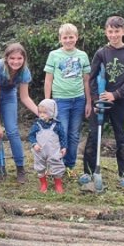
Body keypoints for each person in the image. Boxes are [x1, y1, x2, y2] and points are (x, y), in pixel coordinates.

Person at [80, 16, 124, 188]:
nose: (113, 35)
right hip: (100, 102)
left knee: (122, 138)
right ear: (106, 32)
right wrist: (97, 99)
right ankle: (89, 172)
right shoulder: (101, 53)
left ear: (123, 31)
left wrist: (116, 94)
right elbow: (92, 79)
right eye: (110, 31)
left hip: (120, 102)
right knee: (93, 137)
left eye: (117, 31)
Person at [0, 43, 38, 184]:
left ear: (24, 59)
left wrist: (40, 112)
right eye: (12, 58)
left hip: (9, 94)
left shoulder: (24, 71)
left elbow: (25, 97)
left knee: (13, 131)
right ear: (6, 58)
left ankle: (20, 170)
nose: (16, 61)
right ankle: (1, 170)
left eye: (19, 58)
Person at [43, 23, 91, 178]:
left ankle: (70, 165)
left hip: (78, 100)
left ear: (76, 38)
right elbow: (48, 80)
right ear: (60, 39)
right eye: (65, 37)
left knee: (74, 134)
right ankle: (57, 164)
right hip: (60, 100)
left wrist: (89, 101)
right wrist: (47, 102)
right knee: (60, 133)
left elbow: (86, 81)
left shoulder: (82, 55)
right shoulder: (54, 55)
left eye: (71, 37)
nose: (68, 40)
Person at [28, 99, 66, 193]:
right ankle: (43, 184)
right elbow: (31, 135)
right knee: (39, 166)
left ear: (52, 112)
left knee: (57, 165)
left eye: (44, 112)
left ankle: (58, 184)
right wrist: (34, 144)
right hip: (40, 151)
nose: (41, 114)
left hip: (54, 151)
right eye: (40, 112)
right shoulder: (37, 125)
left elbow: (63, 137)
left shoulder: (57, 125)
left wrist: (64, 147)